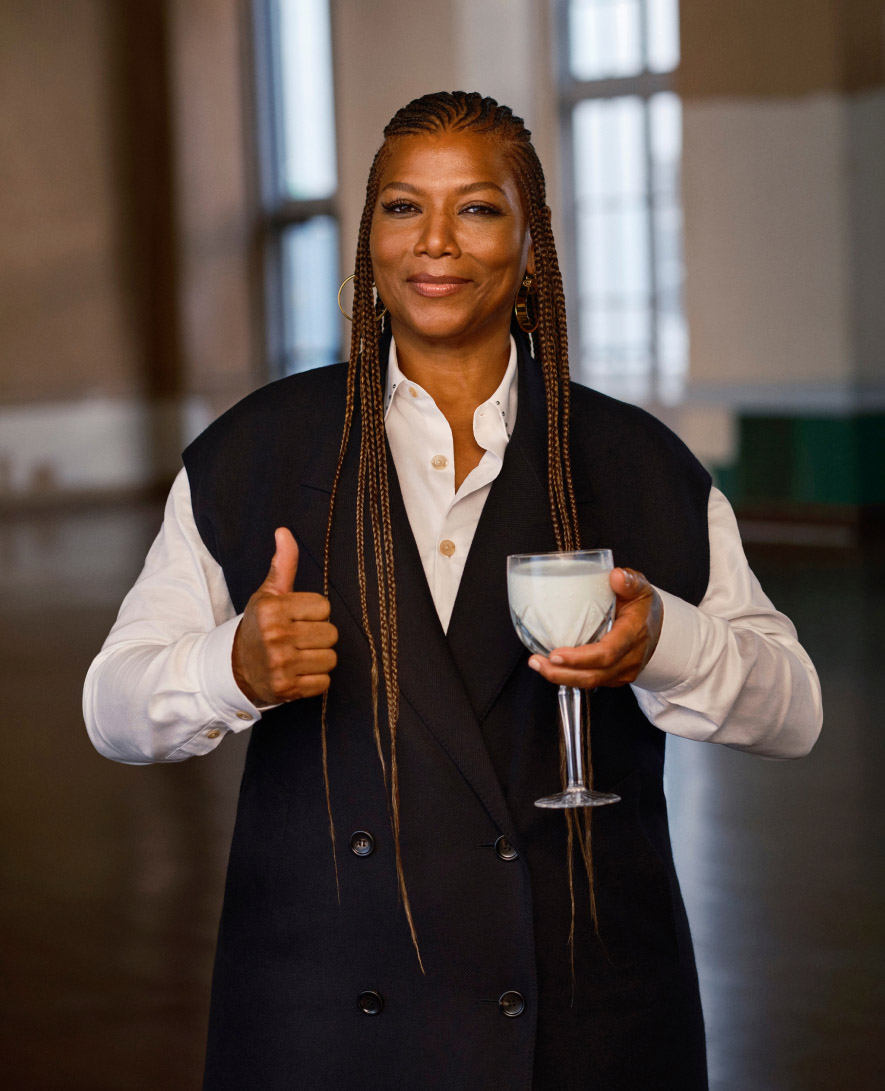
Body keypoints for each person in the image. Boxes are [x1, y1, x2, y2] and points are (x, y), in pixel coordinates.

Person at [84, 92, 822, 1090]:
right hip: (324, 1019)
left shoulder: (635, 461)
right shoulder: (256, 450)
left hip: (582, 1014)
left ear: (531, 240)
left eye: (476, 207)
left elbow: (796, 710)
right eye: (401, 207)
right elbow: (111, 708)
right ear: (369, 236)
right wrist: (233, 666)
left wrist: (666, 644)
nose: (435, 242)